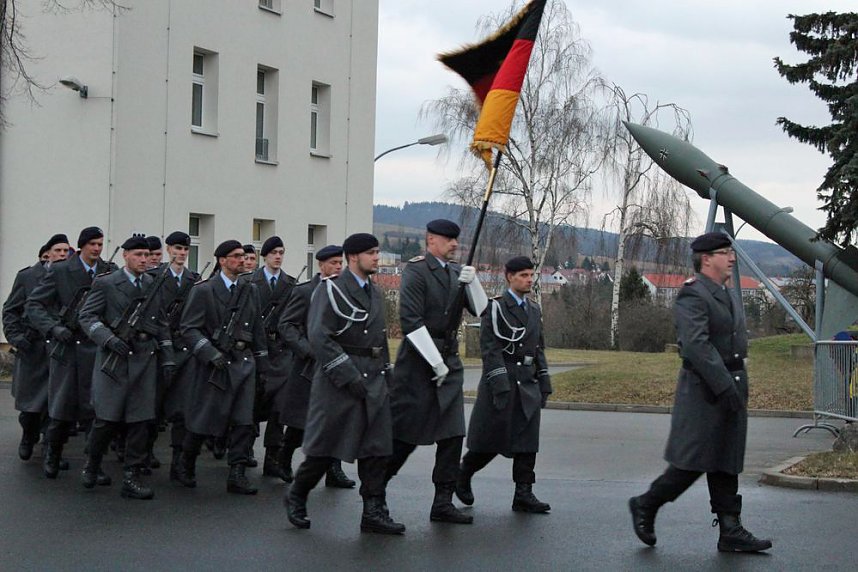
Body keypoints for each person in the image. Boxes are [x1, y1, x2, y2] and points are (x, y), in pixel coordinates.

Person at [628, 232, 772, 553]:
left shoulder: (725, 292)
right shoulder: (693, 295)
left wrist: (735, 384)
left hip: (730, 382)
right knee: (692, 461)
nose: (731, 258)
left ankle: (730, 529)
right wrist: (724, 385)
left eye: (731, 252)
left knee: (726, 457)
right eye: (725, 253)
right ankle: (646, 504)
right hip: (705, 389)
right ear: (706, 258)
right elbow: (696, 345)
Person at [284, 233, 404, 535]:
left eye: (377, 252)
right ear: (354, 257)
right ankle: (297, 494)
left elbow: (380, 340)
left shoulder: (375, 293)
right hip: (339, 380)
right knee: (326, 448)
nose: (377, 257)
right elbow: (320, 337)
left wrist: (387, 375)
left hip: (373, 377)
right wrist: (348, 375)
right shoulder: (331, 290)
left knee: (377, 449)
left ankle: (374, 511)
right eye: (371, 253)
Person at [384, 219, 488, 524]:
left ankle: (442, 501)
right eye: (448, 240)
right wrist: (434, 362)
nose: (455, 244)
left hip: (449, 359)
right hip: (417, 364)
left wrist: (475, 281)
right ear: (431, 241)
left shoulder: (457, 272)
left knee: (453, 433)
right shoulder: (416, 271)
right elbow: (411, 323)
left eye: (456, 240)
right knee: (405, 436)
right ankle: (374, 491)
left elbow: (481, 310)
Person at [78, 235, 175, 499]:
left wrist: (167, 355)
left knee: (141, 421)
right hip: (114, 360)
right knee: (106, 420)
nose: (144, 260)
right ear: (126, 256)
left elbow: (162, 323)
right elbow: (87, 316)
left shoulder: (153, 284)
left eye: (147, 255)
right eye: (138, 255)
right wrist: (108, 339)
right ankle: (92, 463)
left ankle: (131, 475)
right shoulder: (107, 283)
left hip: (144, 359)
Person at [456, 256, 552, 514]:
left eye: (531, 275)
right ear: (509, 277)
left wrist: (544, 380)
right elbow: (490, 349)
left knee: (527, 441)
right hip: (503, 382)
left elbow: (538, 348)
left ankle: (524, 492)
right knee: (491, 440)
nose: (529, 280)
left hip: (527, 384)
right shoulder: (495, 308)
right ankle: (463, 473)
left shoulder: (534, 309)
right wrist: (499, 383)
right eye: (523, 275)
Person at [173, 240, 269, 495]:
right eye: (236, 256)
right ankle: (186, 463)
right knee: (203, 418)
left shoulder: (250, 289)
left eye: (243, 256)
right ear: (222, 260)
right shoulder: (204, 290)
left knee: (243, 420)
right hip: (214, 363)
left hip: (243, 361)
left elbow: (258, 329)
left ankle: (236, 473)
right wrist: (208, 352)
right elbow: (189, 328)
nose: (242, 260)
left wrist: (262, 362)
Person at [25, 226, 117, 478]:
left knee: (95, 411)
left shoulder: (109, 271)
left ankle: (93, 464)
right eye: (92, 244)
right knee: (61, 408)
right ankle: (52, 454)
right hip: (66, 347)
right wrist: (53, 328)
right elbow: (35, 304)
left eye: (100, 244)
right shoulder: (61, 270)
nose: (97, 249)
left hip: (95, 347)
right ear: (82, 246)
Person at [276, 244, 354, 487]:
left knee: (335, 421)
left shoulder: (345, 291)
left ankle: (334, 470)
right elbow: (286, 326)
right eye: (333, 263)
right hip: (309, 368)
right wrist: (308, 350)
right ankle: (284, 457)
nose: (338, 268)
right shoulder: (305, 292)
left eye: (340, 263)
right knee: (301, 421)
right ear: (321, 265)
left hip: (337, 365)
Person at [3, 234, 70, 461]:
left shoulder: (70, 277)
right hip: (33, 348)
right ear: (48, 253)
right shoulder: (28, 276)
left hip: (60, 348)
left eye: (65, 251)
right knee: (30, 406)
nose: (62, 255)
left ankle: (52, 451)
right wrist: (16, 337)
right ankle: (28, 435)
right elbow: (11, 310)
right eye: (58, 251)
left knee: (56, 405)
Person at [146, 231, 200, 481]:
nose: (181, 253)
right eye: (177, 248)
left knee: (182, 409)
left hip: (185, 350)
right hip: (158, 349)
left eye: (185, 249)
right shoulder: (153, 277)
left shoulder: (194, 280)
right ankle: (143, 453)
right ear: (168, 250)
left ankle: (178, 461)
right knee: (152, 405)